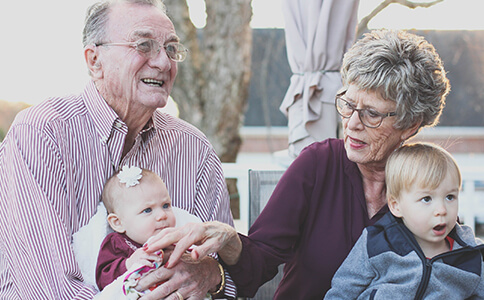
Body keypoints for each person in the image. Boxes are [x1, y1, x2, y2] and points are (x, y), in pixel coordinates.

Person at [143, 29, 451, 299]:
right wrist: (230, 239)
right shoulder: (318, 164)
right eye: (347, 104)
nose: (352, 124)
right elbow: (258, 264)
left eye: (372, 114)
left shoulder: (430, 183)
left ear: (411, 125)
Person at [0, 1, 236, 299]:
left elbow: (227, 275)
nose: (164, 63)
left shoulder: (194, 149)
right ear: (94, 60)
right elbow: (46, 289)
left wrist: (213, 276)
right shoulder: (42, 134)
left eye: (172, 49)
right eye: (144, 45)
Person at [324, 143, 484, 299]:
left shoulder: (471, 255)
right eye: (426, 199)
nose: (442, 210)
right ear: (396, 206)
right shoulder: (377, 243)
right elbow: (342, 291)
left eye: (450, 197)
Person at [96, 166, 175, 291]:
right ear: (118, 223)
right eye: (147, 210)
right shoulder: (117, 243)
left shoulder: (175, 239)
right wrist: (128, 264)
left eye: (166, 205)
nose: (162, 215)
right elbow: (102, 278)